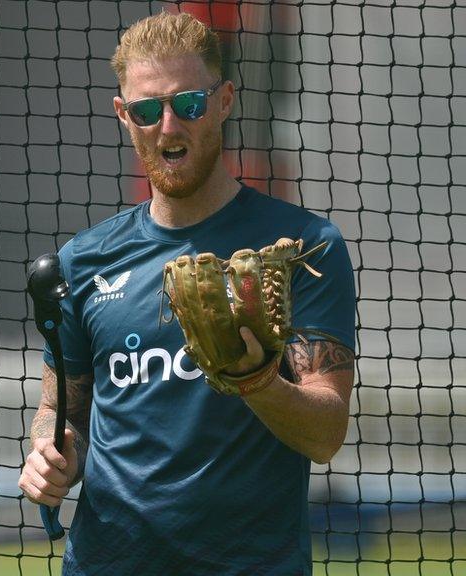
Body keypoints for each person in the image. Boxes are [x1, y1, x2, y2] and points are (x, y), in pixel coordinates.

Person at [18, 12, 355, 575]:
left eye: (188, 105)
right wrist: (53, 458)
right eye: (148, 110)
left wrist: (257, 381)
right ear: (124, 115)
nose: (168, 127)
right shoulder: (83, 261)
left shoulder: (302, 247)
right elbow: (61, 411)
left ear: (223, 101)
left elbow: (325, 434)